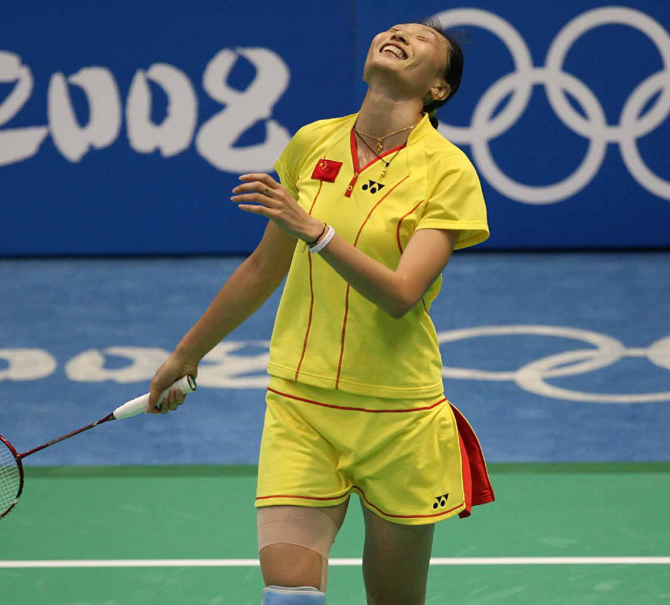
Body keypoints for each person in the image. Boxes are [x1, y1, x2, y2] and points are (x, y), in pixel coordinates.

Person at [147, 18, 495, 605]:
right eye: (394, 29)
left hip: (397, 414)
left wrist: (317, 231)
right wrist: (186, 354)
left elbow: (402, 294)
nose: (400, 35)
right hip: (300, 404)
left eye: (422, 40)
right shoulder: (312, 143)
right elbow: (264, 268)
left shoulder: (448, 171)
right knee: (289, 594)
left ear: (438, 88)